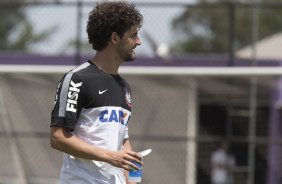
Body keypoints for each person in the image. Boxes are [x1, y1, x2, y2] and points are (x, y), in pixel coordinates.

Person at [49, 1, 144, 184]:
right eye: (133, 35)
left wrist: (134, 179)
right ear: (115, 38)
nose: (138, 42)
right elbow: (58, 137)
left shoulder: (123, 86)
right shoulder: (77, 79)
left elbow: (123, 141)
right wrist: (109, 156)